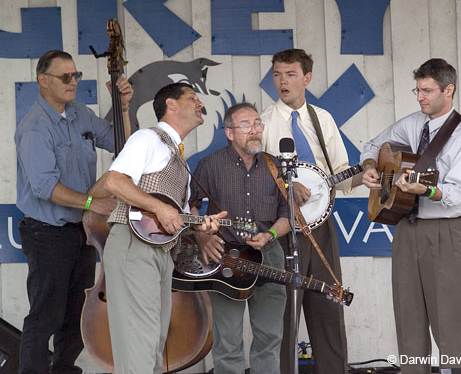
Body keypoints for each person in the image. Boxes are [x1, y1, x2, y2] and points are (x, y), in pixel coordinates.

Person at [361, 58, 461, 374]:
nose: (420, 97)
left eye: (427, 91)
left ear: (449, 90)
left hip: (446, 232)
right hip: (407, 229)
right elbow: (373, 145)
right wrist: (370, 168)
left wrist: (427, 191)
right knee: (409, 322)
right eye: (417, 90)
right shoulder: (413, 124)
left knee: (450, 324)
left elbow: (457, 193)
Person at [15, 49, 133, 374]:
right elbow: (45, 188)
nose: (73, 82)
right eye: (65, 77)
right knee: (45, 315)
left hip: (81, 231)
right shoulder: (35, 127)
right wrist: (94, 203)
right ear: (43, 80)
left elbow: (120, 144)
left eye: (76, 75)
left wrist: (123, 106)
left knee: (77, 315)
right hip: (47, 233)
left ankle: (64, 370)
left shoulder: (80, 113)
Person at [102, 82, 225, 373]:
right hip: (134, 248)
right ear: (171, 104)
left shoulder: (177, 156)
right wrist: (158, 207)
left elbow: (176, 218)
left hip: (158, 252)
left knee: (153, 344)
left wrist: (201, 227)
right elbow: (114, 181)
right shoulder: (148, 138)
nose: (200, 104)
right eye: (192, 98)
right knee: (139, 346)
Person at [261, 48, 362, 374]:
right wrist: (286, 189)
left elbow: (343, 173)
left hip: (320, 226)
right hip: (282, 227)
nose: (282, 81)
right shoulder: (263, 122)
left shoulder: (322, 119)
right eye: (277, 74)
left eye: (290, 74)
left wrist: (367, 176)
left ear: (307, 78)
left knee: (328, 309)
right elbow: (256, 174)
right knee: (283, 316)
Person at [189, 102, 290, 374]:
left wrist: (269, 235)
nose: (254, 130)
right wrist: (202, 236)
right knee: (228, 340)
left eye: (257, 124)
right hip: (225, 257)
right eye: (246, 125)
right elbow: (191, 204)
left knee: (269, 337)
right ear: (230, 132)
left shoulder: (275, 166)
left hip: (268, 255)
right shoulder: (210, 164)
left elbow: (288, 214)